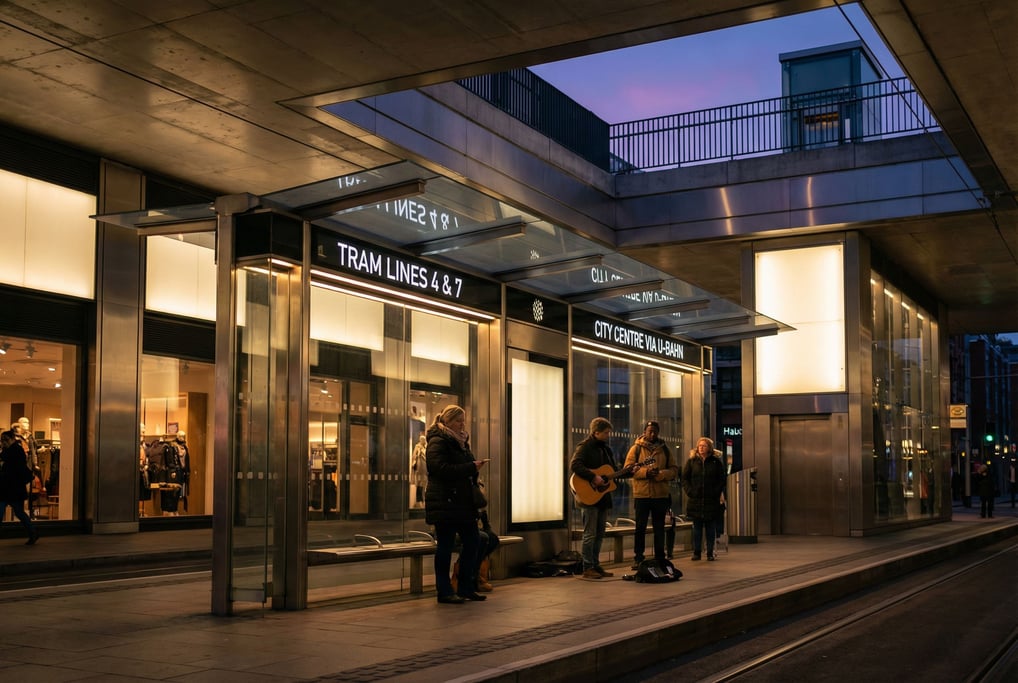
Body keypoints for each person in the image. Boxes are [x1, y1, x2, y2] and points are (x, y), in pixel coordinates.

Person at [425, 405, 487, 604]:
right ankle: (444, 591)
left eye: (463, 421)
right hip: (445, 502)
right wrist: (470, 467)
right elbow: (438, 469)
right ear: (448, 421)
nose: (462, 424)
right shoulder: (438, 440)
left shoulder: (461, 442)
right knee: (445, 546)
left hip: (463, 502)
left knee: (474, 541)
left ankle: (466, 587)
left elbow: (463, 468)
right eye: (459, 421)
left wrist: (474, 468)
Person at [570, 417, 626, 579]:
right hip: (589, 497)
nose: (609, 435)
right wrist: (593, 478)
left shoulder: (606, 450)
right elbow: (575, 465)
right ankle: (587, 567)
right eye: (606, 432)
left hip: (602, 498)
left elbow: (612, 472)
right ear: (596, 432)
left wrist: (630, 470)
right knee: (590, 534)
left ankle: (595, 564)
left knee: (600, 533)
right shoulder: (585, 447)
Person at [624, 420, 678, 569]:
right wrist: (646, 472)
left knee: (659, 528)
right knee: (640, 528)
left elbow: (674, 470)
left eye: (655, 431)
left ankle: (660, 557)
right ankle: (638, 558)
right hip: (642, 495)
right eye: (649, 431)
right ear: (644, 432)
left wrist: (662, 474)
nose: (652, 434)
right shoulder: (636, 449)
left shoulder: (665, 450)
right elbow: (628, 468)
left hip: (660, 496)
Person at [682, 437, 726, 561]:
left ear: (709, 448)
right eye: (700, 445)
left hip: (710, 500)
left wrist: (715, 492)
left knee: (710, 527)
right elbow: (685, 478)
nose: (701, 447)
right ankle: (697, 552)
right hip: (695, 499)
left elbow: (721, 479)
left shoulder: (715, 462)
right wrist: (690, 491)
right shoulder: (692, 462)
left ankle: (710, 552)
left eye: (704, 446)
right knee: (697, 528)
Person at [1, 429, 39, 545]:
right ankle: (32, 533)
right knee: (18, 512)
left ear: (12, 439)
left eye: (5, 440)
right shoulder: (10, 450)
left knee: (19, 512)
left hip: (12, 488)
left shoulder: (16, 450)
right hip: (9, 488)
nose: (3, 442)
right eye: (2, 440)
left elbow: (12, 466)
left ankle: (33, 532)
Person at [453, 509, 500, 593]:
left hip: (471, 528)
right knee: (480, 539)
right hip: (453, 530)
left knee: (492, 539)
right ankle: (460, 578)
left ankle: (474, 575)